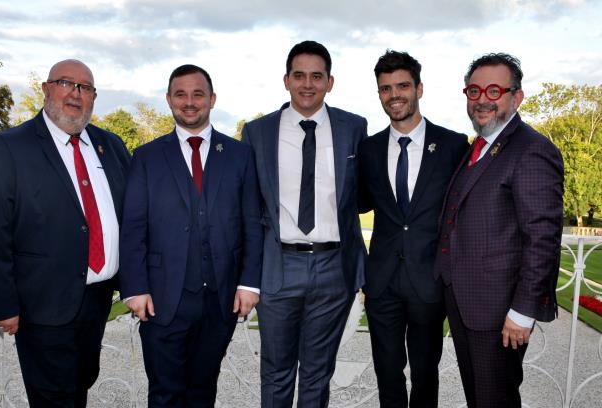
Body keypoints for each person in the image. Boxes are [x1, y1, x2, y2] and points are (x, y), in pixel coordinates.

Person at [0, 59, 131, 407]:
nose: (75, 94)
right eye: (65, 83)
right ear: (46, 89)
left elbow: (131, 213)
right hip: (42, 304)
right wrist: (3, 303)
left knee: (80, 383)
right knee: (51, 396)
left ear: (93, 97)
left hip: (97, 299)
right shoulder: (11, 147)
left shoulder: (111, 145)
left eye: (85, 87)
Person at [119, 64, 263, 407]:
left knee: (203, 390)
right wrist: (135, 287)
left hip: (220, 299)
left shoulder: (240, 156)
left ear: (212, 99)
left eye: (198, 94)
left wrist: (249, 283)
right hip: (163, 299)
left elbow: (252, 223)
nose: (189, 102)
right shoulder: (146, 157)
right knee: (166, 392)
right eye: (180, 94)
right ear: (169, 100)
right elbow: (133, 226)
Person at [241, 40, 367, 407]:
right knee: (277, 372)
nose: (307, 84)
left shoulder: (353, 128)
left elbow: (362, 195)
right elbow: (249, 210)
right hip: (279, 265)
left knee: (317, 373)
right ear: (286, 80)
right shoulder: (258, 133)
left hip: (333, 267)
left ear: (330, 82)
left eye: (317, 76)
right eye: (299, 75)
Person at [434, 53, 564, 407]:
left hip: (500, 312)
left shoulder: (532, 150)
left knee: (495, 400)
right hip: (466, 303)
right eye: (474, 91)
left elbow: (543, 239)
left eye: (494, 90)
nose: (482, 100)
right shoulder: (477, 147)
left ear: (516, 97)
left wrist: (523, 312)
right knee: (479, 398)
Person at [358, 50, 469, 407]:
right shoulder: (369, 149)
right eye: (385, 88)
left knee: (425, 374)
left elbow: (464, 213)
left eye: (402, 85)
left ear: (419, 88)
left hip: (429, 280)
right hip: (382, 282)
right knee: (387, 373)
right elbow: (356, 205)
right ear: (379, 94)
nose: (395, 95)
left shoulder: (453, 145)